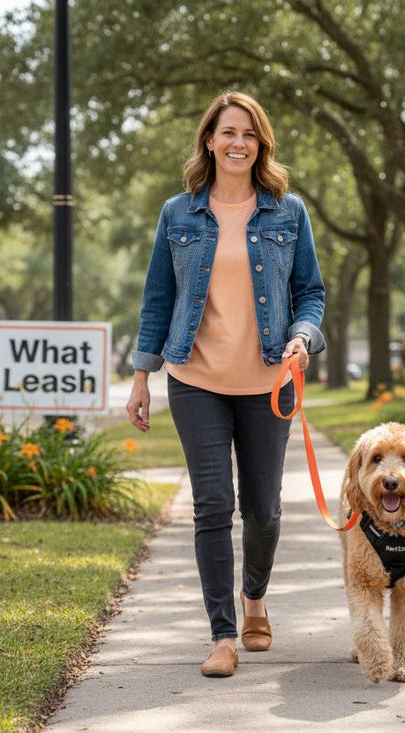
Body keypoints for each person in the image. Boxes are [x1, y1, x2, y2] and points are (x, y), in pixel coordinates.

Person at [125, 91, 326, 678]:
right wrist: (141, 378)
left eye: (249, 134)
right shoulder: (177, 214)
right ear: (209, 141)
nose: (239, 143)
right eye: (228, 132)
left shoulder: (288, 212)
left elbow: (310, 292)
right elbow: (158, 299)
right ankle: (222, 634)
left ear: (261, 144)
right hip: (196, 378)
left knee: (263, 509)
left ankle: (254, 597)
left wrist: (302, 336)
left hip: (269, 379)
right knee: (213, 504)